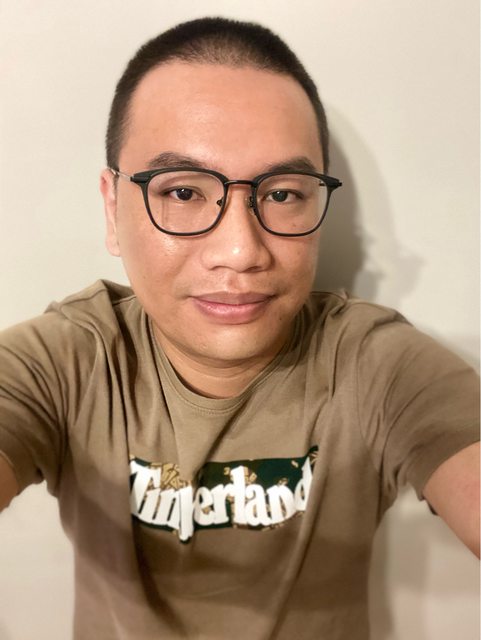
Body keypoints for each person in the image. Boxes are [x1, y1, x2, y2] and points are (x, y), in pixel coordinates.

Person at [0, 16, 478, 640]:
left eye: (282, 194)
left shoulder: (375, 366)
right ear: (113, 209)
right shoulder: (68, 363)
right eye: (183, 192)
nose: (240, 251)